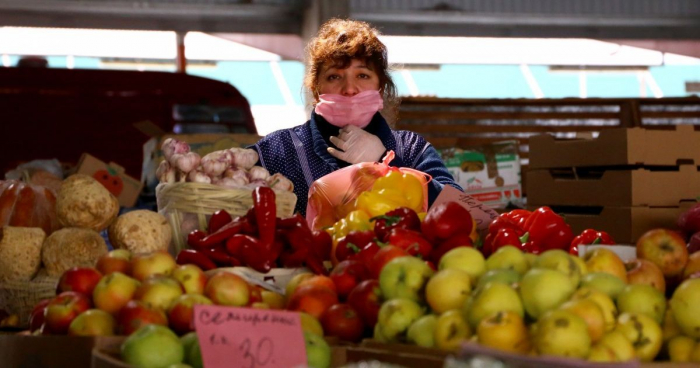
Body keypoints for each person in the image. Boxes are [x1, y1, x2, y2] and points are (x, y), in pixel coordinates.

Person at [251, 18, 462, 215]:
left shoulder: (411, 150)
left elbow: (459, 210)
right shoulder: (279, 151)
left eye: (363, 75)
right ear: (316, 90)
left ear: (380, 87)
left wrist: (385, 163)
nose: (349, 89)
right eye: (334, 76)